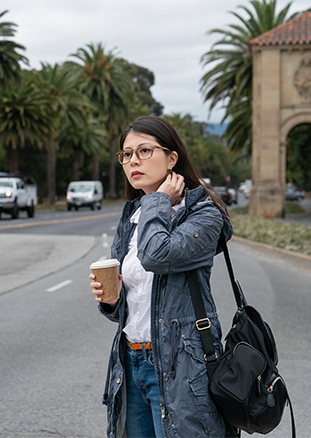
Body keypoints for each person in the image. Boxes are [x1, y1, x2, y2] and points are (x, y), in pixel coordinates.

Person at [89, 116, 232, 438]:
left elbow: (157, 255)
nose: (133, 161)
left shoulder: (204, 214)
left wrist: (158, 201)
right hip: (130, 360)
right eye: (126, 154)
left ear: (172, 158)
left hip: (181, 365)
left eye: (144, 151)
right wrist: (111, 301)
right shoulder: (132, 217)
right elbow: (128, 305)